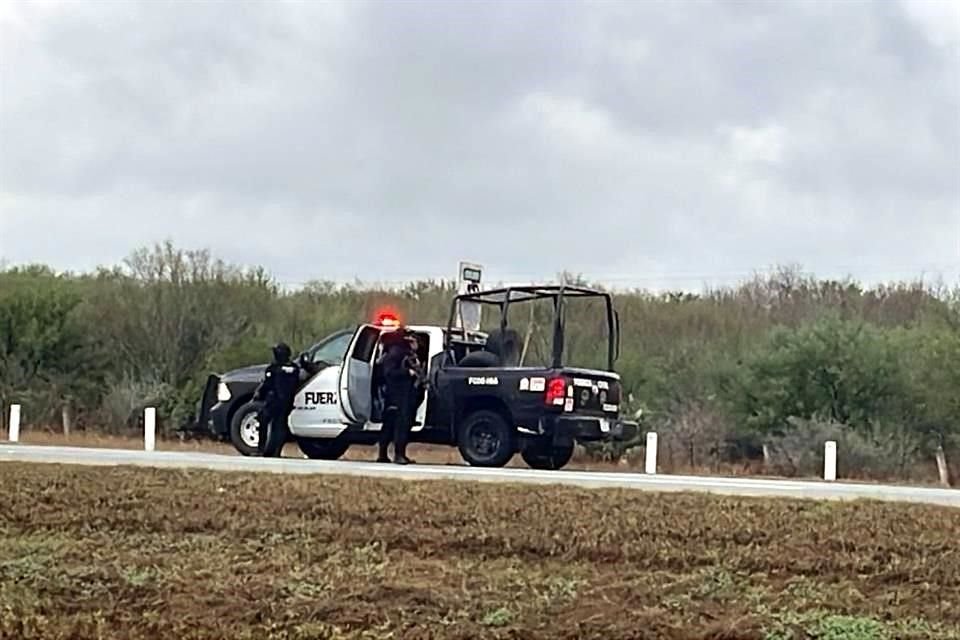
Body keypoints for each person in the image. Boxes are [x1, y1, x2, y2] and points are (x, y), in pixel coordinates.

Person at [375, 329, 421, 464]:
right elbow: (389, 373)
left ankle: (395, 454)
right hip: (396, 395)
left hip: (404, 394)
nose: (414, 343)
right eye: (410, 340)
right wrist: (407, 372)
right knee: (398, 424)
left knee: (398, 424)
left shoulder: (408, 354)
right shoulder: (396, 353)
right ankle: (394, 455)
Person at [252, 342, 301, 457]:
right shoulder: (295, 368)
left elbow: (268, 384)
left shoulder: (274, 368)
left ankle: (261, 449)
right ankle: (276, 451)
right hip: (288, 401)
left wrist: (258, 394)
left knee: (263, 419)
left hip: (274, 400)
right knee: (280, 426)